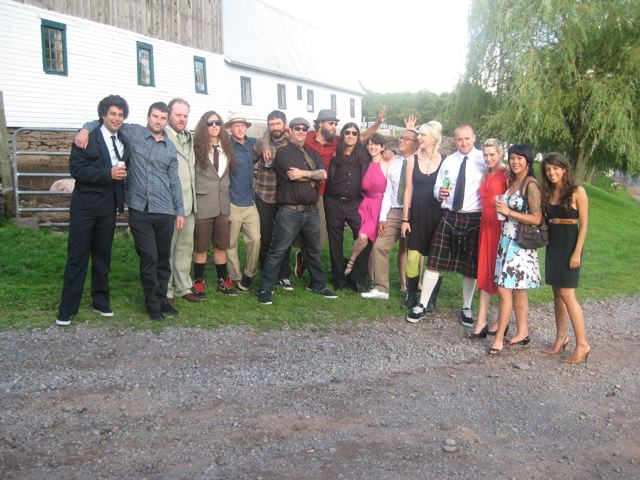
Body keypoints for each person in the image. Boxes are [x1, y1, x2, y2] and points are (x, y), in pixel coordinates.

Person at [75, 102, 185, 321]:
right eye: (155, 116)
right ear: (148, 117)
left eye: (163, 118)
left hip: (165, 209)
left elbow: (174, 180)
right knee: (149, 256)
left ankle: (163, 300)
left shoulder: (170, 147)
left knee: (163, 258)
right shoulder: (133, 133)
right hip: (140, 209)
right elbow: (107, 122)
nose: (158, 121)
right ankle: (152, 304)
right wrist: (85, 129)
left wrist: (179, 210)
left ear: (167, 121)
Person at [56, 95, 129, 326]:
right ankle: (67, 308)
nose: (117, 118)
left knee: (103, 256)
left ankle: (101, 301)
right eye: (113, 114)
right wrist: (108, 174)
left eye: (120, 114)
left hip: (108, 207)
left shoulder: (124, 138)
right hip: (85, 207)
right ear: (103, 115)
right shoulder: (87, 137)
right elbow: (76, 169)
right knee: (77, 256)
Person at [406, 124, 485, 325]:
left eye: (467, 138)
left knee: (470, 267)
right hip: (450, 215)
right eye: (459, 139)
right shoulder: (449, 160)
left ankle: (466, 308)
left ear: (474, 138)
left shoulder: (484, 160)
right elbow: (437, 187)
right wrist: (439, 193)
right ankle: (422, 305)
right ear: (455, 140)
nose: (463, 142)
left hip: (474, 218)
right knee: (435, 262)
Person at [257, 117, 336, 305]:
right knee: (278, 250)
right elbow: (292, 175)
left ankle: (318, 285)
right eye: (297, 128)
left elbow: (323, 175)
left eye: (304, 128)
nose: (301, 131)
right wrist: (312, 175)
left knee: (313, 251)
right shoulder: (283, 153)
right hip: (290, 211)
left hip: (311, 211)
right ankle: (265, 288)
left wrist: (304, 173)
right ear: (290, 130)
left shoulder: (312, 152)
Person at [489, 144, 542, 355]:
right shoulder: (513, 182)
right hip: (506, 240)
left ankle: (499, 338)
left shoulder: (531, 184)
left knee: (504, 289)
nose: (515, 161)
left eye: (520, 158)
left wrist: (509, 212)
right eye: (512, 158)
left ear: (528, 161)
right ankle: (523, 332)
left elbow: (536, 218)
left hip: (519, 245)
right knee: (519, 290)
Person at [540, 152, 591, 364]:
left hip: (570, 245)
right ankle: (561, 338)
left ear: (564, 169)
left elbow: (584, 225)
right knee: (556, 293)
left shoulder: (577, 191)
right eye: (548, 170)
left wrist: (577, 252)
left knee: (567, 294)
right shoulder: (548, 192)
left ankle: (582, 344)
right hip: (554, 244)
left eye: (555, 168)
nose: (551, 173)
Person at [362, 120, 419, 301]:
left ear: (415, 144)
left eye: (405, 138)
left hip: (414, 211)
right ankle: (381, 288)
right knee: (379, 247)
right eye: (401, 137)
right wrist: (382, 218)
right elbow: (387, 192)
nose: (400, 140)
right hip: (394, 211)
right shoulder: (394, 162)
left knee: (415, 251)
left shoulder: (421, 162)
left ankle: (413, 288)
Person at [192, 111, 237, 297]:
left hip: (222, 204)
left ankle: (222, 281)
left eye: (217, 123)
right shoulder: (196, 148)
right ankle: (198, 282)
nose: (214, 126)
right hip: (203, 204)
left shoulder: (227, 148)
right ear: (204, 126)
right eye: (210, 123)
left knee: (221, 245)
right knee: (201, 246)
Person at [400, 121, 445, 310]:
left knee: (437, 258)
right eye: (419, 135)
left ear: (433, 139)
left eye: (423, 135)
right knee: (412, 256)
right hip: (417, 214)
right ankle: (411, 294)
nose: (419, 138)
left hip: (438, 215)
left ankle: (432, 298)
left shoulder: (444, 160)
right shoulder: (412, 160)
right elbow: (408, 190)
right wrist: (405, 219)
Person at [324, 122, 370, 291]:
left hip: (354, 203)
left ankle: (356, 278)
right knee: (335, 242)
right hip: (333, 202)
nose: (351, 135)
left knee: (365, 238)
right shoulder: (334, 153)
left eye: (354, 133)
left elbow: (380, 150)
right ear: (342, 135)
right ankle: (339, 280)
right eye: (347, 132)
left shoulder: (364, 154)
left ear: (358, 137)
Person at [469, 139, 508, 338]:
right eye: (485, 155)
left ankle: (502, 321)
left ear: (500, 153)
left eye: (492, 154)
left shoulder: (507, 173)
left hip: (500, 227)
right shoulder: (486, 172)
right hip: (485, 226)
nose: (488, 158)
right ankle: (481, 321)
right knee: (484, 273)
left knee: (500, 274)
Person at [165, 98, 201, 304]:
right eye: (178, 115)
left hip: (190, 203)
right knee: (167, 249)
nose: (182, 119)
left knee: (185, 248)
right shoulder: (162, 135)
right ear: (169, 114)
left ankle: (183, 287)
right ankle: (166, 290)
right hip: (170, 203)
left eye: (185, 115)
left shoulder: (189, 138)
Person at [254, 110, 294, 290]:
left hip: (285, 197)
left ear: (285, 124)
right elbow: (247, 162)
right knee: (265, 237)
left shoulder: (292, 142)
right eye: (272, 124)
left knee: (285, 237)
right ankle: (266, 271)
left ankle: (284, 274)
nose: (275, 127)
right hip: (264, 195)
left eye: (278, 124)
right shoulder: (261, 143)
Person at [344, 134, 390, 281]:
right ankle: (369, 277)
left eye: (376, 144)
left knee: (364, 237)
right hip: (362, 204)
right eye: (370, 144)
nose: (372, 147)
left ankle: (351, 261)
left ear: (383, 147)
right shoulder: (365, 164)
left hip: (378, 206)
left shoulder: (387, 164)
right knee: (364, 239)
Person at [225, 113, 260, 292]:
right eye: (236, 125)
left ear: (246, 127)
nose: (240, 129)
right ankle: (235, 276)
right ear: (230, 128)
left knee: (255, 239)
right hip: (231, 201)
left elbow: (267, 139)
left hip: (249, 202)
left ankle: (249, 274)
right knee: (230, 243)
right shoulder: (225, 146)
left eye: (242, 125)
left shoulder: (253, 143)